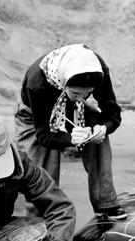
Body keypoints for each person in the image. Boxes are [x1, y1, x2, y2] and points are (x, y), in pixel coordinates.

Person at [14, 43, 127, 221]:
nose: (82, 98)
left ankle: (105, 204)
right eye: (76, 92)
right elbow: (44, 136)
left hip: (72, 108)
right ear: (64, 81)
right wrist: (70, 139)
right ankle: (40, 218)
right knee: (41, 167)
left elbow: (113, 114)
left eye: (87, 94)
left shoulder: (97, 70)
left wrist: (103, 128)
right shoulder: (37, 82)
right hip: (35, 114)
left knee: (97, 135)